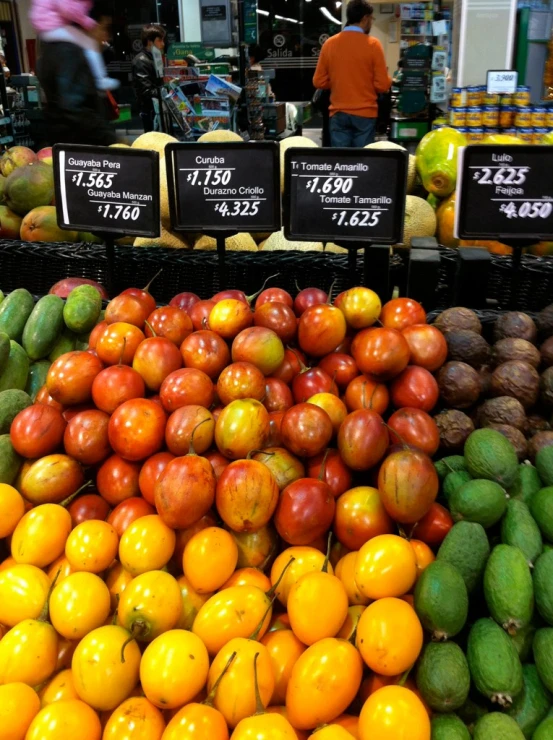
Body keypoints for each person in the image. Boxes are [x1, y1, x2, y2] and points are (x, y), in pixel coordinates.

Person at [34, 0, 117, 145]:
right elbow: (73, 107)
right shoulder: (69, 52)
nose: (106, 37)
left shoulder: (58, 49)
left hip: (70, 146)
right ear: (88, 25)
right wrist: (110, 138)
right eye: (104, 28)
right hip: (78, 149)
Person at [313, 0, 392, 147]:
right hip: (365, 115)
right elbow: (382, 86)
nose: (371, 23)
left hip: (338, 114)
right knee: (361, 163)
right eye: (371, 19)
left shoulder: (329, 44)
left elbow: (318, 81)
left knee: (342, 162)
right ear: (365, 18)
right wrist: (388, 79)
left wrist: (338, 80)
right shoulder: (373, 45)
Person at [31, 0, 119, 91]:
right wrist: (87, 21)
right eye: (104, 28)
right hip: (50, 26)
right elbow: (71, 100)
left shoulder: (54, 51)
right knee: (90, 44)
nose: (107, 36)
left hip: (45, 26)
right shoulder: (71, 55)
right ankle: (101, 79)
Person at [132, 24, 166, 133]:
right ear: (150, 42)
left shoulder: (154, 58)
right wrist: (166, 92)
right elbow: (146, 91)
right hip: (150, 111)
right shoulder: (141, 61)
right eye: (159, 40)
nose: (163, 44)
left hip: (157, 109)